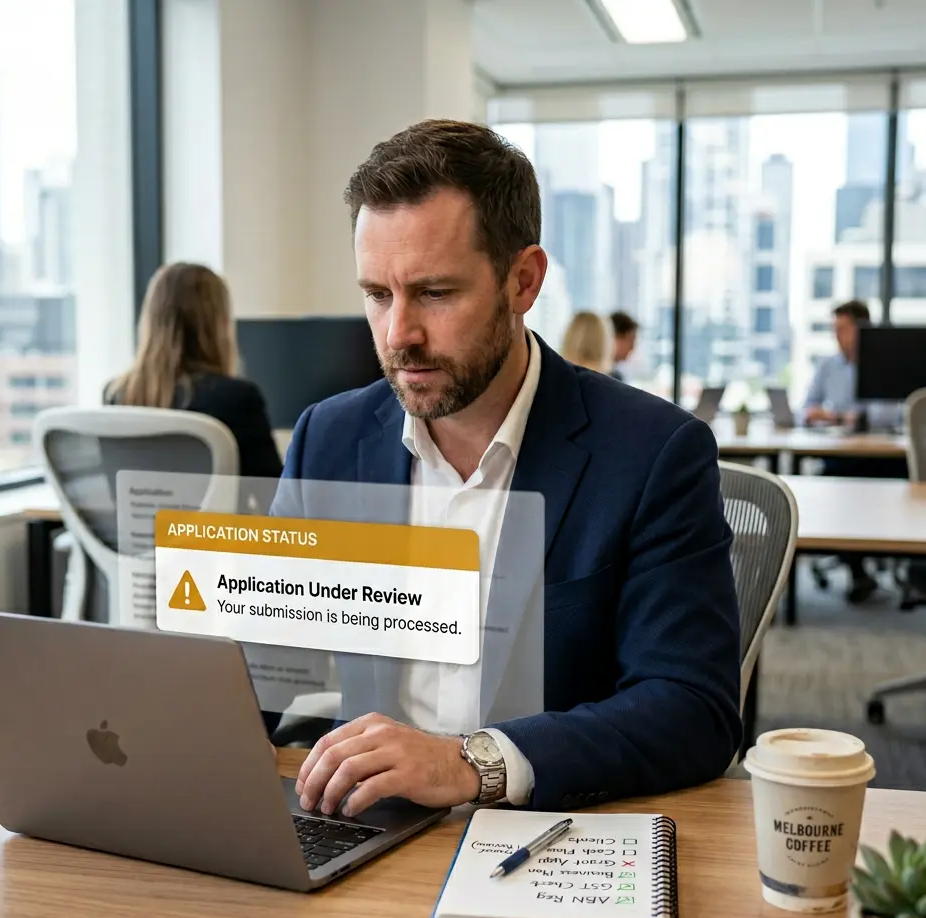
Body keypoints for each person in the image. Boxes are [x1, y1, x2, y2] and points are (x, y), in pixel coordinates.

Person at [281, 119, 741, 817]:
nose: (398, 334)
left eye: (435, 293)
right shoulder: (330, 437)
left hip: (544, 832)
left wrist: (470, 763)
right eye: (378, 294)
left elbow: (692, 708)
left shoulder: (652, 453)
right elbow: (264, 651)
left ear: (522, 280)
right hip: (360, 824)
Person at [105, 262, 283, 479]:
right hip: (213, 515)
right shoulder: (236, 399)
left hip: (139, 515)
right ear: (219, 324)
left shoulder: (117, 395)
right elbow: (275, 495)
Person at [803, 298, 906, 603]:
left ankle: (885, 563)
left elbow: (896, 414)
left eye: (843, 329)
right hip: (843, 453)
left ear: (863, 330)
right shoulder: (828, 366)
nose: (837, 336)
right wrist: (833, 416)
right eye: (834, 329)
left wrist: (852, 416)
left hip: (884, 456)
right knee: (839, 482)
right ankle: (858, 571)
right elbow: (806, 410)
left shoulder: (889, 365)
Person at [609, 310, 639, 382]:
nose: (632, 347)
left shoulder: (615, 375)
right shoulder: (612, 378)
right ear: (616, 338)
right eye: (631, 340)